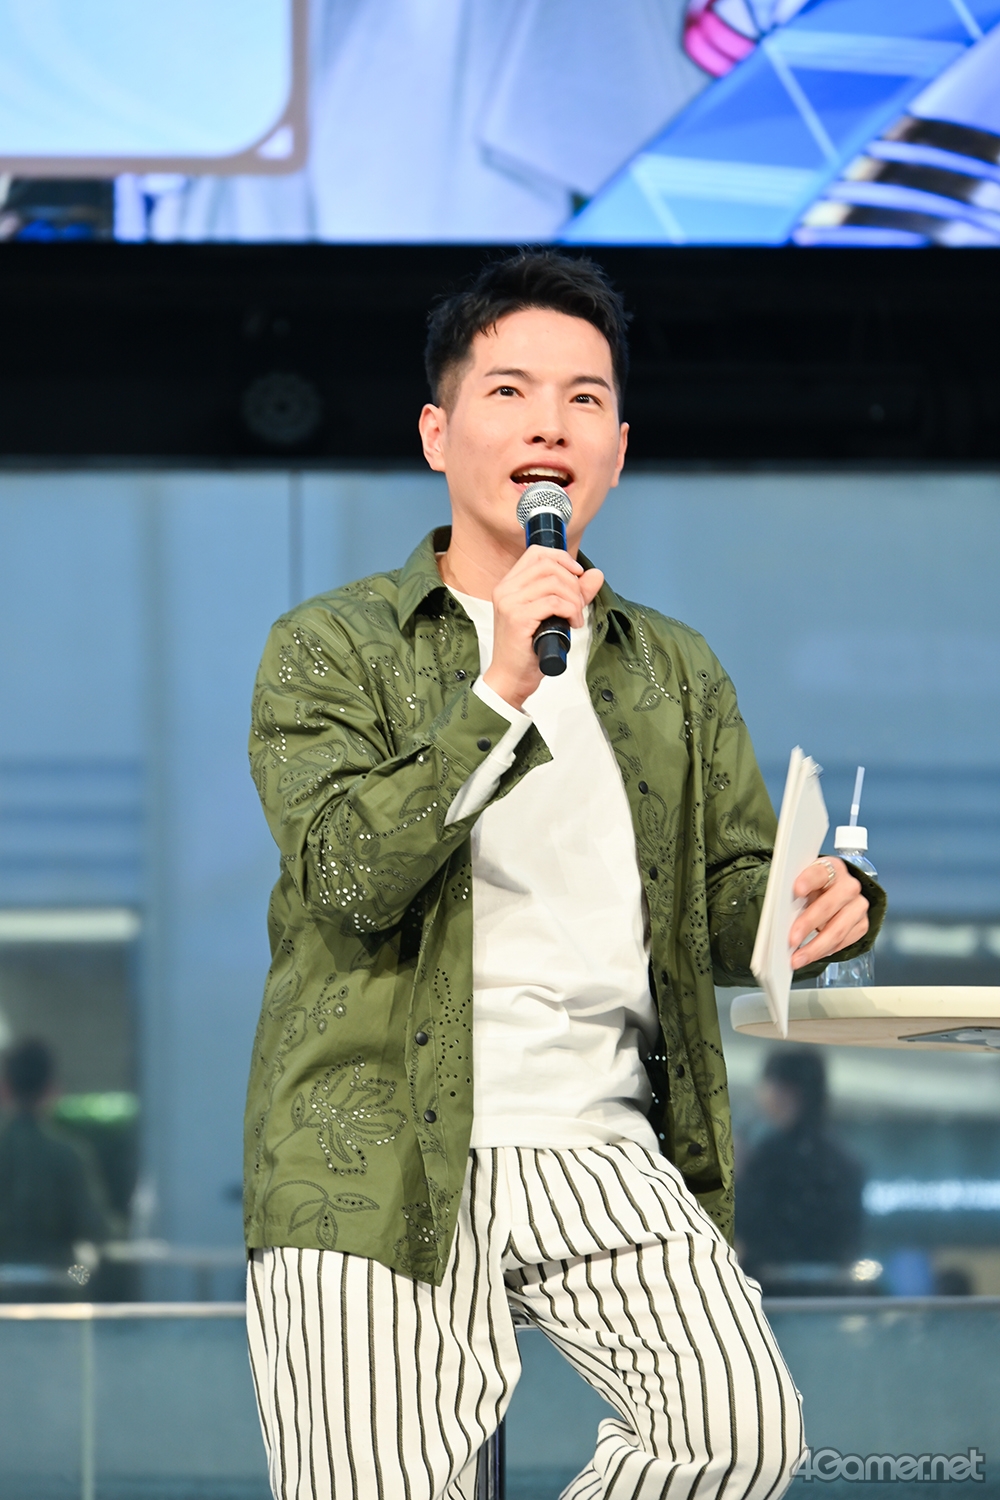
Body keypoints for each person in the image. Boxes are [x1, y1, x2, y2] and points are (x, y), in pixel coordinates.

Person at [244, 249, 884, 1500]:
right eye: (511, 392)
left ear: (618, 449)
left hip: (600, 1133)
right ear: (437, 434)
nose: (550, 424)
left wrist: (820, 909)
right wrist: (499, 691)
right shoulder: (333, 644)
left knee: (736, 1435)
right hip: (369, 1153)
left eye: (584, 399)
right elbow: (346, 877)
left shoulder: (671, 668)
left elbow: (724, 904)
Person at [737, 1048, 865, 1295]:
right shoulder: (844, 1158)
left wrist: (736, 1179)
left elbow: (748, 1225)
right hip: (832, 1292)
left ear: (785, 1091)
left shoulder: (767, 1155)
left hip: (773, 1291)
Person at [0, 1038, 105, 1297]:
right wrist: (76, 1280)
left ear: (5, 1090)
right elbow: (94, 1231)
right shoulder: (68, 1155)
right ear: (52, 1090)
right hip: (54, 1293)